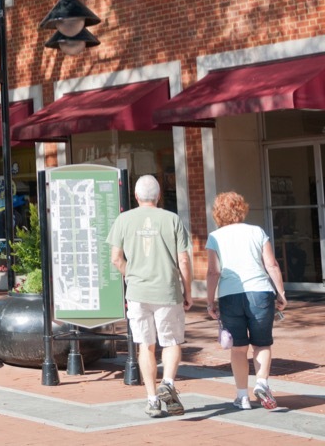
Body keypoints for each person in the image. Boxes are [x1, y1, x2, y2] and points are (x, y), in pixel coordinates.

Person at [107, 174, 192, 419]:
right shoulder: (172, 219)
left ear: (135, 196)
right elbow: (183, 259)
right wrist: (187, 290)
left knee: (146, 345)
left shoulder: (124, 219)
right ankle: (168, 381)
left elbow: (115, 258)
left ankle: (152, 399)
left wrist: (130, 273)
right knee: (172, 341)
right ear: (159, 196)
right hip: (167, 290)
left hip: (137, 292)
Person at [205, 191, 288, 410]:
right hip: (260, 292)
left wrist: (210, 301)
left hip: (230, 296)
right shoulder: (257, 231)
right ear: (242, 208)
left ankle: (242, 396)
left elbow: (213, 272)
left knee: (238, 348)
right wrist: (280, 292)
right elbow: (271, 264)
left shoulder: (215, 237)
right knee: (262, 343)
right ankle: (261, 383)